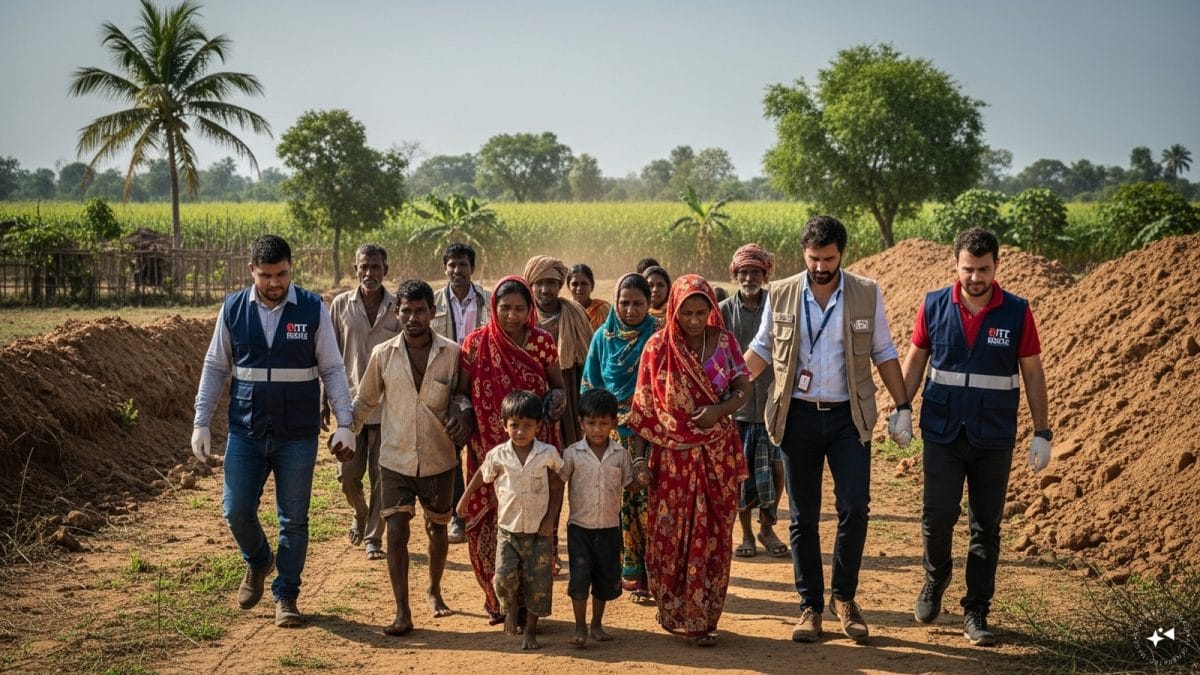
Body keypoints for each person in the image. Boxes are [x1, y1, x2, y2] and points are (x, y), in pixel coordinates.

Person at [744, 215, 912, 644]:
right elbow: (762, 348)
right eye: (814, 258)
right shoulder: (780, 294)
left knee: (854, 508)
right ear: (804, 254)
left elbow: (884, 349)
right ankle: (810, 607)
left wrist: (904, 404)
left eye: (829, 258)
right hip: (797, 417)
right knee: (803, 517)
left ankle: (846, 599)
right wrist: (726, 387)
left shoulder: (865, 293)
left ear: (842, 254)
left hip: (847, 419)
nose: (821, 266)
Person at [191, 234, 356, 628]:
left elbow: (332, 369)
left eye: (281, 274)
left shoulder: (313, 308)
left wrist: (345, 423)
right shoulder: (232, 309)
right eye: (266, 275)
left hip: (296, 434)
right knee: (235, 510)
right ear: (252, 271)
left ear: (291, 268)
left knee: (294, 519)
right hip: (245, 431)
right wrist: (201, 420)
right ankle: (260, 560)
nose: (274, 283)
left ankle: (286, 596)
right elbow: (216, 367)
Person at [901, 227, 1051, 647]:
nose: (975, 278)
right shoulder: (933, 305)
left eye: (984, 269)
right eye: (968, 269)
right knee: (937, 517)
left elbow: (1033, 372)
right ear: (956, 265)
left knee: (986, 527)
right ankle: (936, 579)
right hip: (943, 432)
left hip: (994, 436)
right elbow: (915, 361)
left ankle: (976, 609)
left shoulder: (1017, 312)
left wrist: (1042, 432)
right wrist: (901, 406)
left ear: (996, 266)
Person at [627, 274, 751, 646]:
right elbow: (643, 409)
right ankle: (674, 610)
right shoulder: (656, 347)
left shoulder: (725, 342)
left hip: (716, 457)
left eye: (702, 312)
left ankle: (704, 617)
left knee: (712, 536)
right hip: (670, 461)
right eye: (687, 313)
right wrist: (638, 461)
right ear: (673, 311)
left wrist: (719, 410)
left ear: (712, 309)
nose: (695, 321)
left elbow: (743, 387)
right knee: (670, 536)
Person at [348, 279, 475, 636]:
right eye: (406, 310)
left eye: (420, 310)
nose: (413, 317)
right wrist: (347, 432)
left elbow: (463, 395)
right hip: (395, 459)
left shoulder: (452, 353)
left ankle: (434, 590)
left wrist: (461, 412)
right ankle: (402, 611)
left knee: (437, 529)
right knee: (397, 531)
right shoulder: (383, 355)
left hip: (439, 458)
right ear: (396, 312)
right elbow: (365, 401)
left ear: (432, 313)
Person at [458, 276, 567, 625]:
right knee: (490, 526)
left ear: (529, 309)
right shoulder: (475, 345)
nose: (512, 315)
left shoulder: (543, 343)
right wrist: (460, 413)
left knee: (534, 526)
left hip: (535, 449)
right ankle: (499, 603)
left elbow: (558, 387)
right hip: (488, 450)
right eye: (505, 307)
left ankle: (527, 607)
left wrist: (555, 404)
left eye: (520, 308)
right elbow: (462, 393)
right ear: (494, 307)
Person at [457, 390, 564, 650]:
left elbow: (559, 481)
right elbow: (482, 475)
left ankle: (531, 631)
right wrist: (463, 500)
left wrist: (551, 518)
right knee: (503, 577)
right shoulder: (498, 455)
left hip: (539, 531)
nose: (520, 431)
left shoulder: (547, 453)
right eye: (514, 425)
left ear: (538, 426)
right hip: (507, 529)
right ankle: (511, 607)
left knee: (538, 582)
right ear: (504, 426)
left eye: (528, 426)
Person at [580, 273, 663, 602]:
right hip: (613, 436)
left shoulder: (659, 337)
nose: (630, 310)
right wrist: (600, 428)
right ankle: (629, 577)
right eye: (624, 303)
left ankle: (656, 576)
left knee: (650, 507)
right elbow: (591, 385)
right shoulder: (603, 336)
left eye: (638, 303)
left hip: (653, 435)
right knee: (618, 508)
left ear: (648, 304)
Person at [325, 243, 401, 561]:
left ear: (386, 270)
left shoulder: (398, 307)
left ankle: (373, 537)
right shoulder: (340, 305)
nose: (369, 273)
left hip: (389, 407)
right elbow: (327, 355)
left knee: (382, 476)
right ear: (355, 269)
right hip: (349, 407)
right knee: (348, 475)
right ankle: (360, 513)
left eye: (375, 267)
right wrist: (324, 398)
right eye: (363, 267)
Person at [719, 244, 788, 560]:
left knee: (776, 469)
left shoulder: (777, 306)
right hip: (738, 408)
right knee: (741, 473)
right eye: (744, 272)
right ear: (735, 274)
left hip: (774, 401)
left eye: (755, 273)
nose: (749, 277)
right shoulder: (723, 311)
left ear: (765, 275)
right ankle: (746, 534)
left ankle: (767, 527)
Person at [559, 388, 634, 648]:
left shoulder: (621, 455)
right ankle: (579, 627)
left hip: (609, 528)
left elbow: (630, 485)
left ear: (613, 423)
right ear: (581, 423)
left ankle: (596, 625)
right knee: (579, 578)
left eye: (603, 423)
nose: (597, 429)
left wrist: (646, 478)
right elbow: (558, 484)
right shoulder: (572, 454)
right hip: (579, 528)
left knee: (604, 578)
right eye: (591, 423)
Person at [430, 242, 491, 546]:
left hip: (483, 386)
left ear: (472, 268)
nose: (457, 270)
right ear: (445, 268)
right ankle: (458, 516)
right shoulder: (433, 303)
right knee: (451, 453)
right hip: (447, 385)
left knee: (485, 449)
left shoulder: (490, 301)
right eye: (451, 265)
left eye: (463, 264)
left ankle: (487, 511)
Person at [523, 255, 590, 449]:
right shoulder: (523, 316)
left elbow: (588, 357)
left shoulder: (575, 313)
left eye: (551, 283)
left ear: (560, 284)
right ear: (531, 286)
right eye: (539, 283)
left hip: (569, 384)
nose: (545, 290)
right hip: (533, 387)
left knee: (572, 448)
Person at [567, 263, 611, 332]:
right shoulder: (565, 311)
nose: (579, 288)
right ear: (568, 287)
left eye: (584, 283)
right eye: (575, 284)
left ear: (592, 286)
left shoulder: (603, 310)